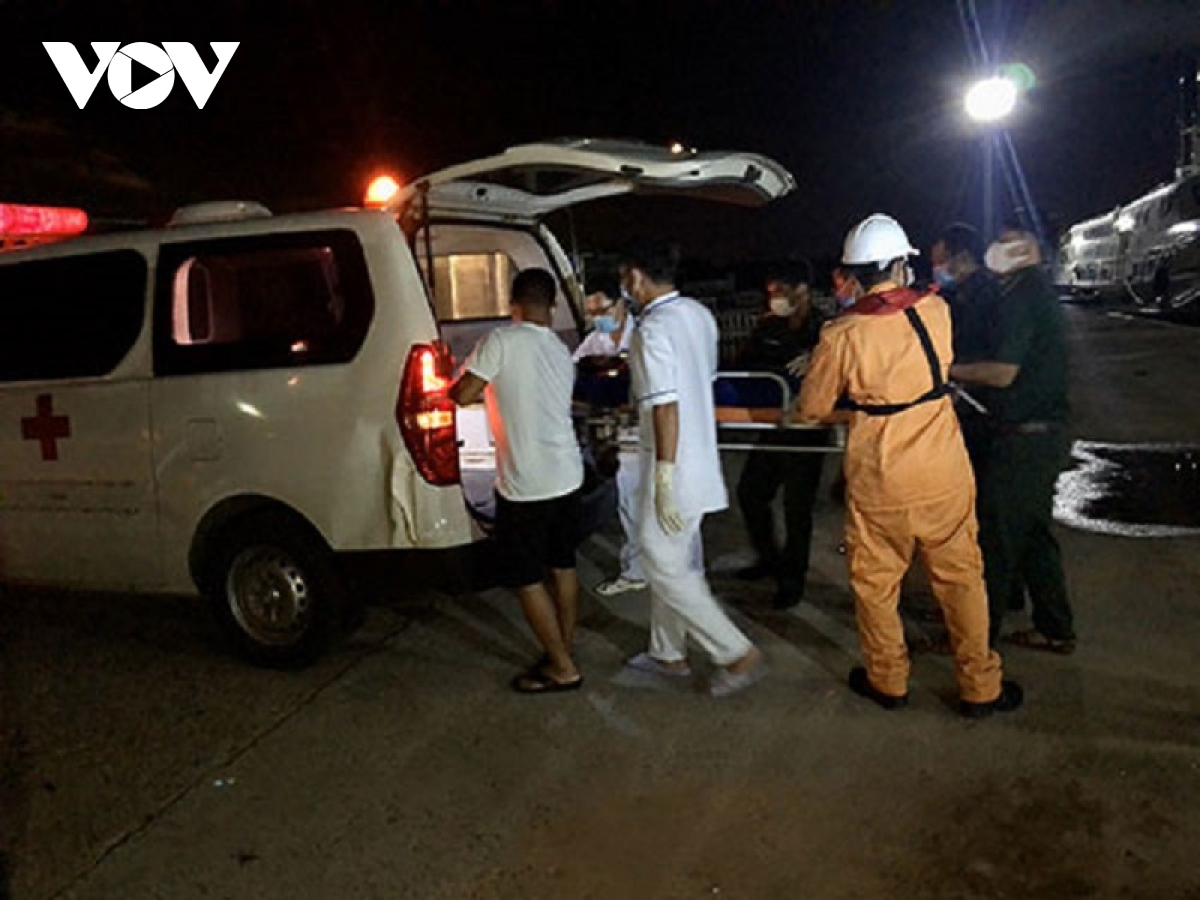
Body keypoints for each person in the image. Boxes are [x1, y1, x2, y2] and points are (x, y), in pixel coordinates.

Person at [797, 213, 1022, 718]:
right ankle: (981, 688)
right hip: (943, 470)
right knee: (962, 580)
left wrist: (856, 406)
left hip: (880, 479)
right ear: (900, 265)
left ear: (854, 273)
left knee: (876, 584)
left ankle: (888, 681)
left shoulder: (842, 333)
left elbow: (811, 409)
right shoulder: (936, 311)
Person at [620, 246, 766, 697]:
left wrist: (664, 476)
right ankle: (668, 652)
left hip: (675, 463)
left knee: (659, 560)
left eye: (627, 279)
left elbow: (665, 406)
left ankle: (734, 652)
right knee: (676, 559)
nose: (626, 288)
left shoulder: (653, 328)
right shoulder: (698, 314)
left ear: (638, 277)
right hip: (701, 457)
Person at [450, 268, 585, 694]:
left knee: (524, 575)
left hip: (527, 482)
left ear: (514, 305)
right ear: (553, 306)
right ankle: (562, 647)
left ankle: (562, 668)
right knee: (562, 564)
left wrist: (455, 381)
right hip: (568, 473)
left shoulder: (501, 341)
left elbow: (464, 394)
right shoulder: (561, 349)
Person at [950, 225, 1077, 654]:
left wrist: (949, 370)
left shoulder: (1025, 295)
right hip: (1042, 434)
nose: (997, 248)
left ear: (1031, 249)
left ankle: (976, 642)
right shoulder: (1028, 291)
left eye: (1008, 241)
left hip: (1025, 437)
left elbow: (1004, 372)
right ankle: (1055, 628)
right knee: (1032, 536)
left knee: (997, 539)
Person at [733, 265, 827, 609]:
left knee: (797, 509)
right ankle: (769, 558)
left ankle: (792, 580)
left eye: (781, 291)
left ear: (802, 289)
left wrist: (819, 357)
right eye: (772, 291)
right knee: (751, 493)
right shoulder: (767, 327)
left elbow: (844, 366)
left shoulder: (826, 329)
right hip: (773, 425)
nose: (775, 298)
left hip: (808, 429)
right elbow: (743, 364)